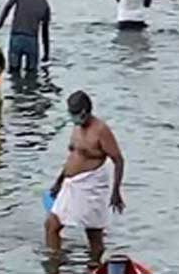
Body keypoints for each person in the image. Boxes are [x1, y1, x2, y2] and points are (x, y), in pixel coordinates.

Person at [45, 91, 126, 266]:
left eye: (74, 112)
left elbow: (118, 160)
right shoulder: (76, 128)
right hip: (71, 184)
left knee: (94, 235)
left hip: (91, 185)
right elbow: (72, 156)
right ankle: (55, 263)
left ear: (84, 112)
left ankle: (95, 266)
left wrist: (116, 192)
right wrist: (58, 182)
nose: (72, 116)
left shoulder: (101, 130)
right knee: (52, 225)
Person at [0, 0, 51, 73]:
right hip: (32, 40)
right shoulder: (45, 5)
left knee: (14, 71)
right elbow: (45, 32)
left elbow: (7, 7)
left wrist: (0, 25)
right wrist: (46, 53)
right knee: (32, 73)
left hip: (16, 37)